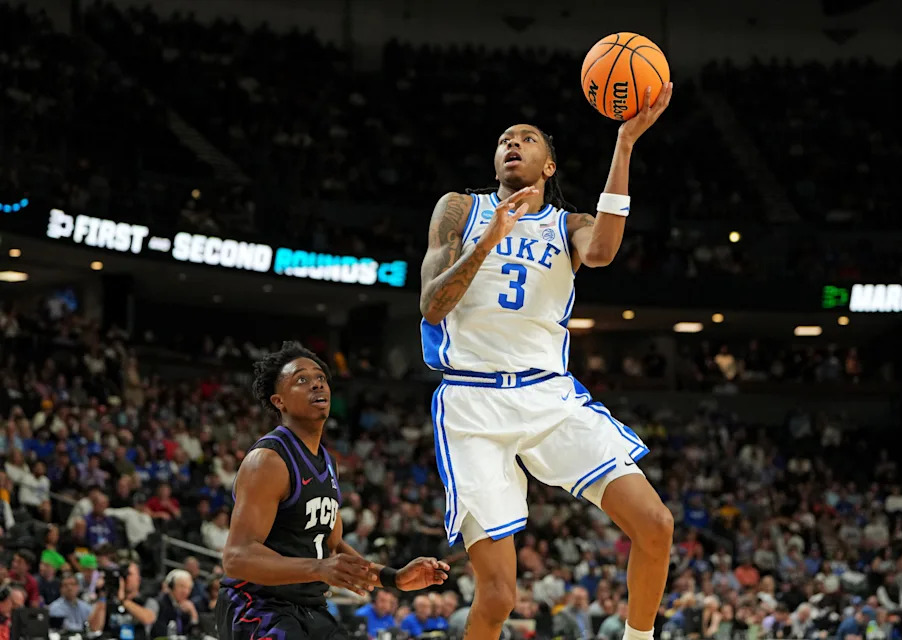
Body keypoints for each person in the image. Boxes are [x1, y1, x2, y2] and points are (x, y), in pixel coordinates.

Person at [418, 83, 674, 640]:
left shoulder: (568, 224)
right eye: (505, 139)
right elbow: (431, 305)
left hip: (549, 396)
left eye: (526, 138)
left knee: (655, 524)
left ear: (547, 163)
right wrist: (486, 243)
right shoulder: (460, 209)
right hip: (473, 404)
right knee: (498, 596)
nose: (512, 143)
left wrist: (625, 144)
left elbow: (603, 252)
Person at [219, 341, 451, 640]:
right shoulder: (268, 460)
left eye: (320, 378)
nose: (316, 384)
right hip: (256, 606)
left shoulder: (328, 463)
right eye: (301, 379)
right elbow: (236, 558)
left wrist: (394, 578)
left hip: (309, 608)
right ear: (279, 401)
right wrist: (318, 568)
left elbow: (334, 548)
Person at [87, 561, 159, 640]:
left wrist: (123, 600)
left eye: (129, 574)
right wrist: (103, 595)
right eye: (123, 574)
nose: (126, 577)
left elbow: (148, 619)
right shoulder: (107, 601)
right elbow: (94, 628)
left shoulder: (147, 601)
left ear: (138, 578)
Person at [152, 569, 199, 639]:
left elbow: (194, 635)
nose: (185, 591)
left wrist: (193, 614)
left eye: (189, 588)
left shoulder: (187, 608)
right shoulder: (159, 603)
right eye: (182, 586)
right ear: (171, 586)